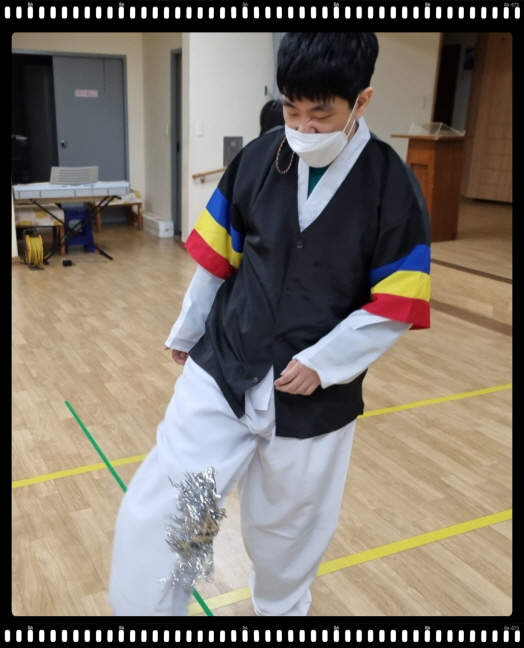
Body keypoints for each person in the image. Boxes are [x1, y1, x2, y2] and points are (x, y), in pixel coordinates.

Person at [108, 32, 431, 617]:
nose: (303, 128)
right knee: (179, 502)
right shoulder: (258, 159)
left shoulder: (391, 185)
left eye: (320, 114)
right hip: (226, 365)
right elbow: (217, 262)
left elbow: (395, 304)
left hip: (313, 398)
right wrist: (188, 330)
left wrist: (324, 364)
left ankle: (280, 611)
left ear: (361, 101)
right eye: (291, 109)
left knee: (287, 529)